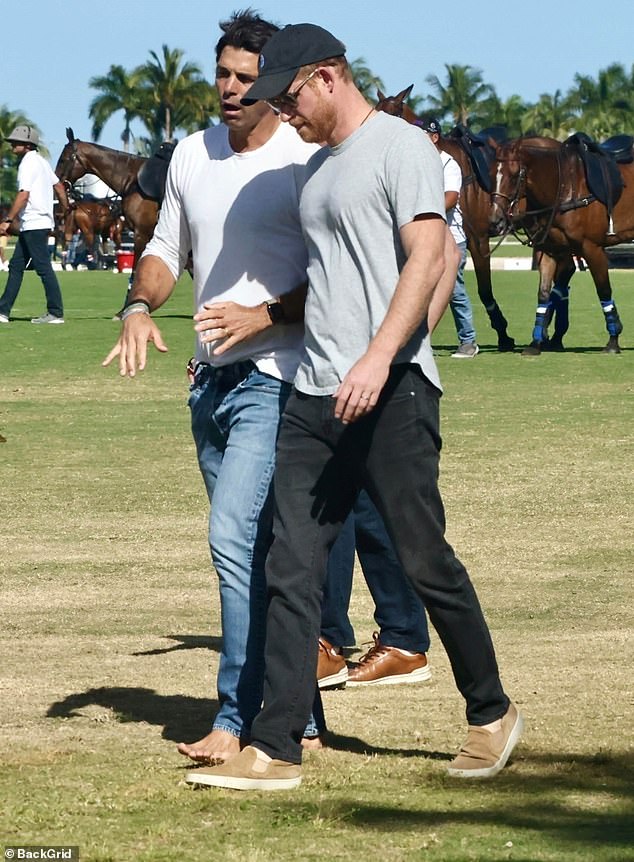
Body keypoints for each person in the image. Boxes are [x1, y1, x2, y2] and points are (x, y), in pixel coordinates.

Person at [186, 22, 523, 791]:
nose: (286, 112)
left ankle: (491, 713)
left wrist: (384, 356)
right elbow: (323, 285)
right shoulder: (316, 169)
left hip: (392, 390)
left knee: (423, 561)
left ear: (329, 74)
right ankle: (275, 745)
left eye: (291, 95)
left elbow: (430, 258)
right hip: (314, 392)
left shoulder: (400, 148)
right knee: (291, 562)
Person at [102, 10, 327, 763]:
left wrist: (265, 314)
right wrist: (138, 304)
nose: (229, 91)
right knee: (262, 553)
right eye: (221, 76)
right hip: (209, 383)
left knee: (232, 540)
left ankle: (236, 717)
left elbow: (334, 277)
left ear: (272, 82)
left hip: (277, 378)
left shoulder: (305, 156)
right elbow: (167, 251)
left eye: (243, 78)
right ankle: (304, 714)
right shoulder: (192, 154)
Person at [419, 116, 479, 358]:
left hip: (451, 237)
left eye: (422, 135)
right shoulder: (417, 164)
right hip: (425, 235)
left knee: (454, 290)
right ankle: (421, 343)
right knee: (419, 289)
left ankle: (469, 341)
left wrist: (423, 210)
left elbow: (451, 197)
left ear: (434, 137)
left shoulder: (448, 164)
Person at [0, 125, 69, 324]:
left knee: (43, 267)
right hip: (38, 222)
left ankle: (55, 313)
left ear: (28, 145)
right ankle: (3, 310)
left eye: (16, 142)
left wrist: (8, 220)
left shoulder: (28, 164)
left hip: (34, 222)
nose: (12, 144)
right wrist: (65, 208)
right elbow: (58, 185)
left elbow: (23, 195)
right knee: (16, 266)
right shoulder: (42, 162)